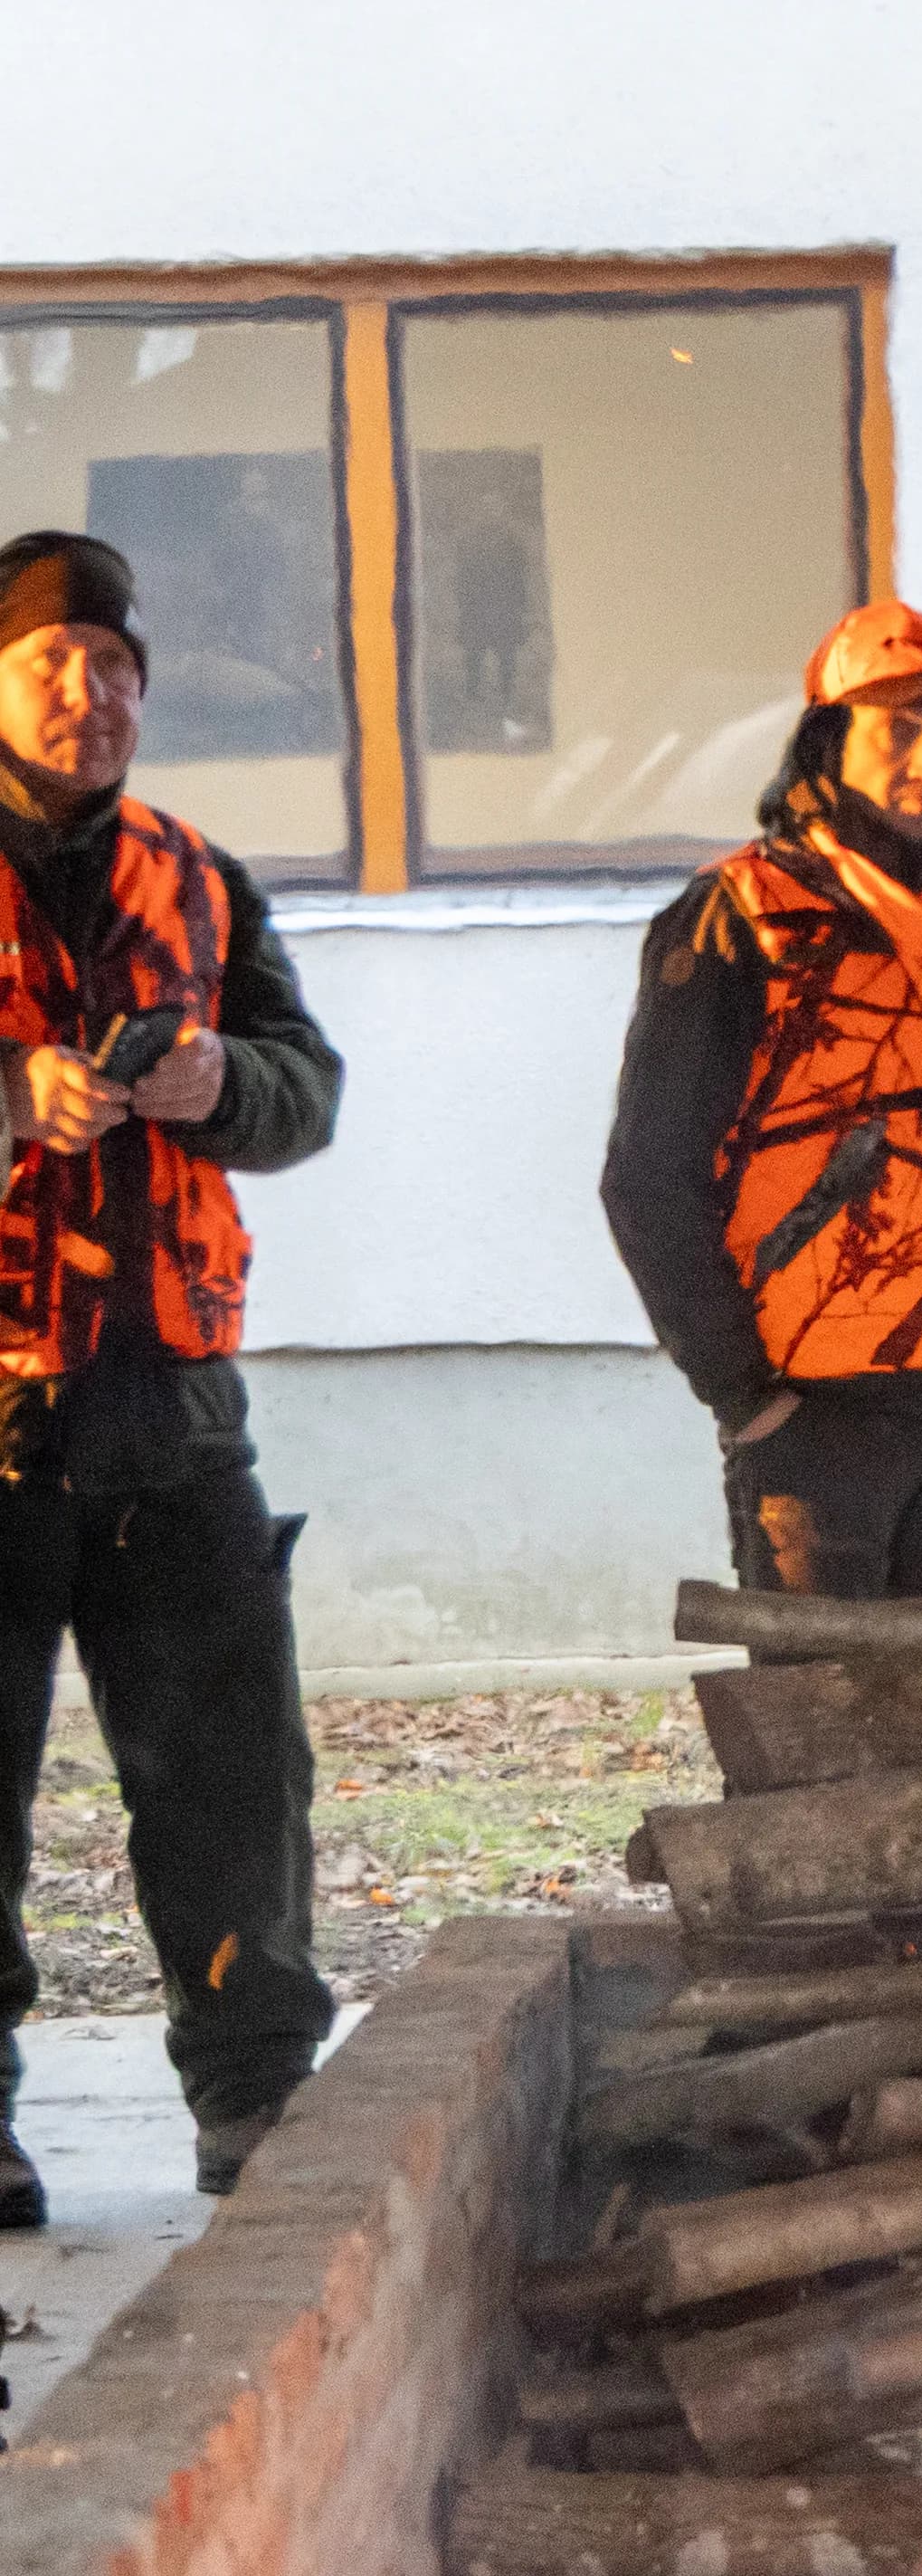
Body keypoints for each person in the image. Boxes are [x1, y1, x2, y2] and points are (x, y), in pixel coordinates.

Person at [0, 530, 341, 2221]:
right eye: (59, 663)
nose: (95, 694)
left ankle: (257, 2092)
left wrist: (223, 1086)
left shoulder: (199, 879)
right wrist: (12, 1098)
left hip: (177, 1410)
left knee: (229, 1782)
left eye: (118, 668)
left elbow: (309, 1088)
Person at [604, 600, 922, 1600]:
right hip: (819, 1411)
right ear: (829, 742)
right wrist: (745, 1395)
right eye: (899, 732)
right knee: (817, 1728)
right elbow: (648, 1178)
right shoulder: (736, 918)